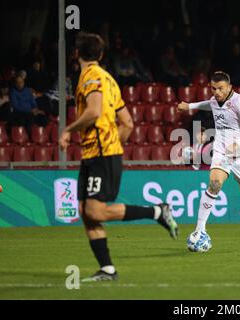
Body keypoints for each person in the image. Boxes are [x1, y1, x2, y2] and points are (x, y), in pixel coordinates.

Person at [59, 32, 178, 282]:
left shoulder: (91, 77)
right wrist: (115, 145)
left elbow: (92, 112)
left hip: (101, 153)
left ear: (76, 54)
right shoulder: (109, 80)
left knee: (96, 211)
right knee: (86, 211)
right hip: (99, 153)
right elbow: (127, 122)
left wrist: (69, 130)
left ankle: (156, 211)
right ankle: (107, 269)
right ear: (101, 54)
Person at [177, 71, 240, 245]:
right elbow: (208, 104)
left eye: (221, 89)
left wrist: (238, 143)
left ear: (230, 87)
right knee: (215, 184)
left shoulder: (239, 102)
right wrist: (190, 106)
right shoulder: (215, 100)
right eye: (214, 88)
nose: (216, 92)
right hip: (222, 152)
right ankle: (200, 230)